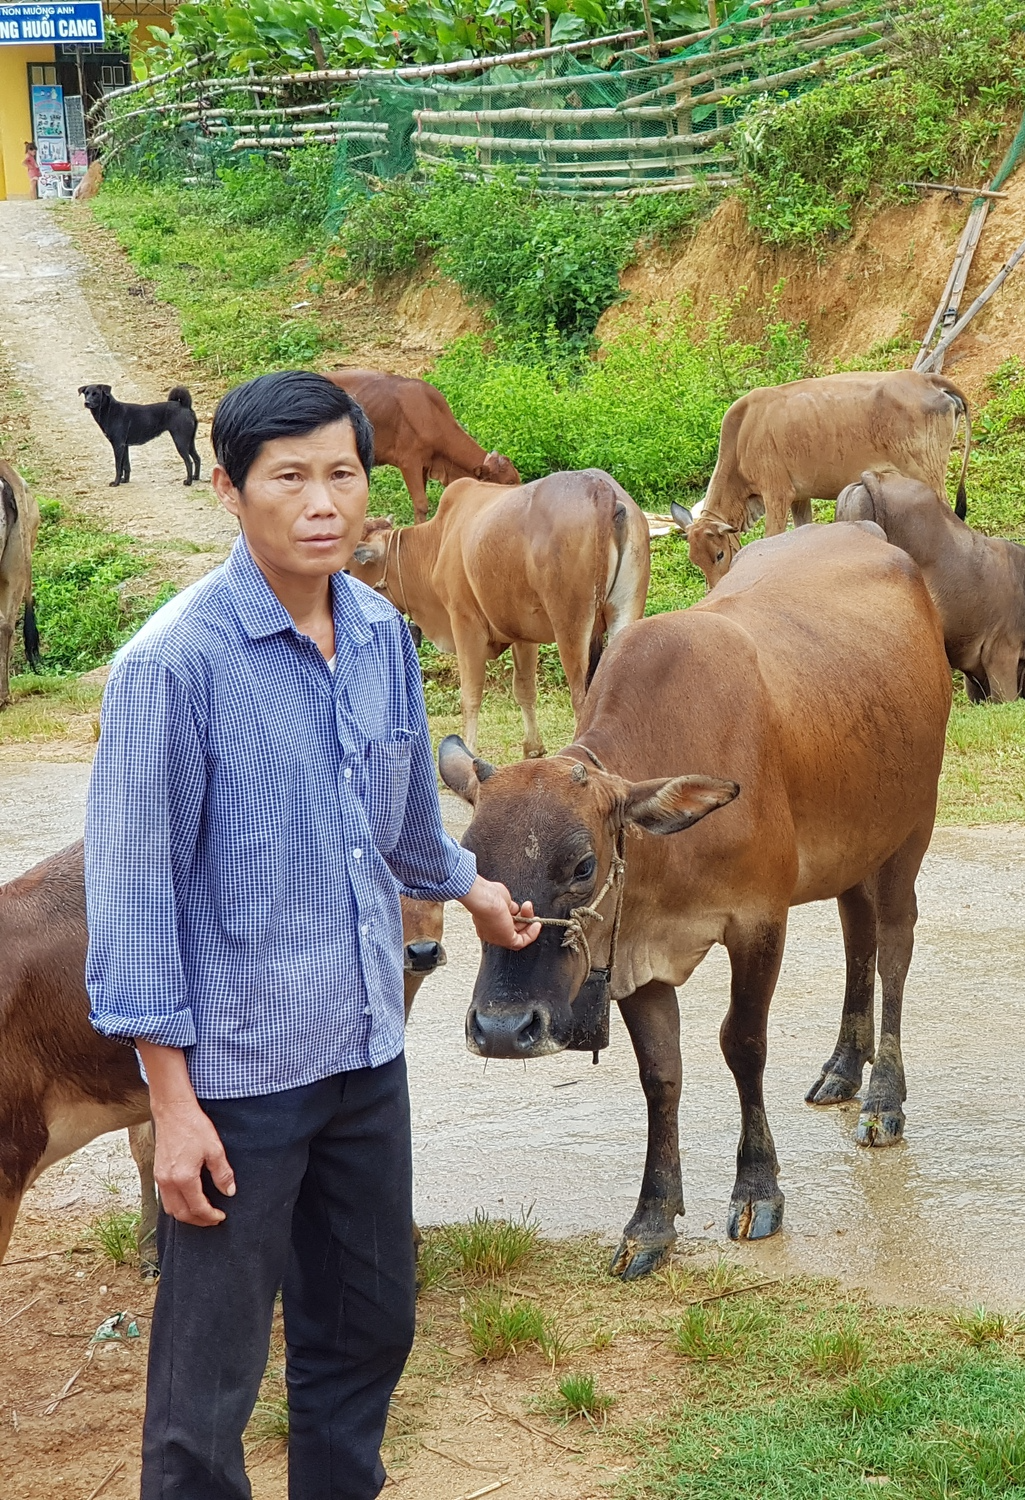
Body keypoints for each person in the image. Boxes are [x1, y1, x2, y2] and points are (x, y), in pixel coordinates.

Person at [84, 370, 543, 1499]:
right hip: (238, 1079)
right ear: (232, 491)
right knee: (210, 1387)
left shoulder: (382, 632)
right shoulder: (171, 667)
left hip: (361, 1055)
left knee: (368, 1331)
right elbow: (135, 899)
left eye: (343, 473)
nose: (323, 502)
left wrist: (474, 887)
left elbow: (395, 828)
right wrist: (173, 1107)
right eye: (289, 477)